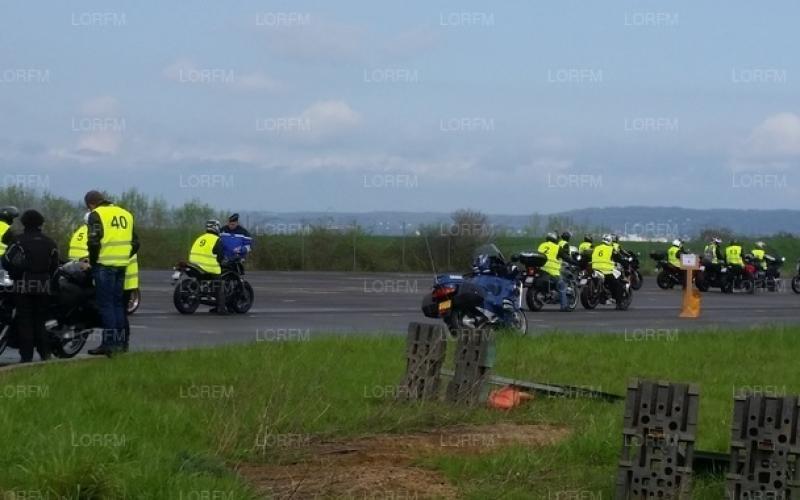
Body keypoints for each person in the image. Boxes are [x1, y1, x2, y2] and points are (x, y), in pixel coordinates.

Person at [84, 190, 138, 356]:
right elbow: (136, 243)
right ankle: (120, 343)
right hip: (121, 265)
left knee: (106, 306)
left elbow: (93, 241)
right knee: (118, 305)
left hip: (104, 265)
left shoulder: (96, 214)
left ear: (90, 204)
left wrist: (93, 263)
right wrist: (124, 256)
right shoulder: (126, 214)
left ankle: (109, 344)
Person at [1, 210, 59, 363]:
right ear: (41, 223)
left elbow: (6, 261)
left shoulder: (18, 241)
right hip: (43, 285)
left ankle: (26, 357)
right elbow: (55, 266)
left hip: (22, 284)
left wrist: (16, 272)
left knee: (24, 321)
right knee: (40, 321)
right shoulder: (50, 242)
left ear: (24, 223)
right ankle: (45, 354)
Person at [188, 220, 227, 314]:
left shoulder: (200, 238)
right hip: (208, 267)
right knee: (219, 285)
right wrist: (223, 262)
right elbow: (220, 256)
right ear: (216, 228)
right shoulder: (216, 239)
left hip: (194, 264)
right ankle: (221, 309)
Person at [538, 232, 569, 311]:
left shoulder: (542, 245)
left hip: (541, 270)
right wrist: (576, 262)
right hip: (552, 272)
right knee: (562, 286)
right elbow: (566, 257)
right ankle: (564, 306)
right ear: (555, 239)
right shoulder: (557, 247)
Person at [591, 234, 624, 309]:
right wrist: (624, 261)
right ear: (610, 241)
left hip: (595, 268)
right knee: (618, 285)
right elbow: (618, 258)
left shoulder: (596, 247)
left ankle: (604, 295)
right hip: (606, 271)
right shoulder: (611, 249)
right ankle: (619, 303)